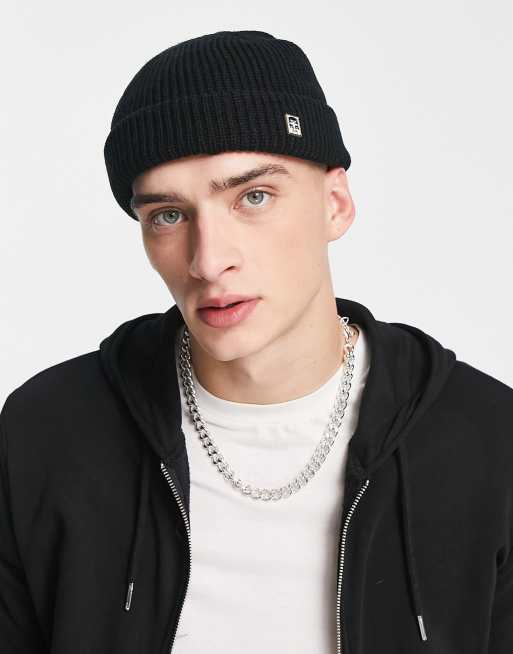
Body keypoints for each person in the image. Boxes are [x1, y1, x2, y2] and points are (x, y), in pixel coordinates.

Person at [1, 30, 512, 654]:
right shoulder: (47, 433)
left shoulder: (488, 441)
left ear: (335, 204)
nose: (208, 261)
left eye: (253, 197)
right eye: (168, 215)